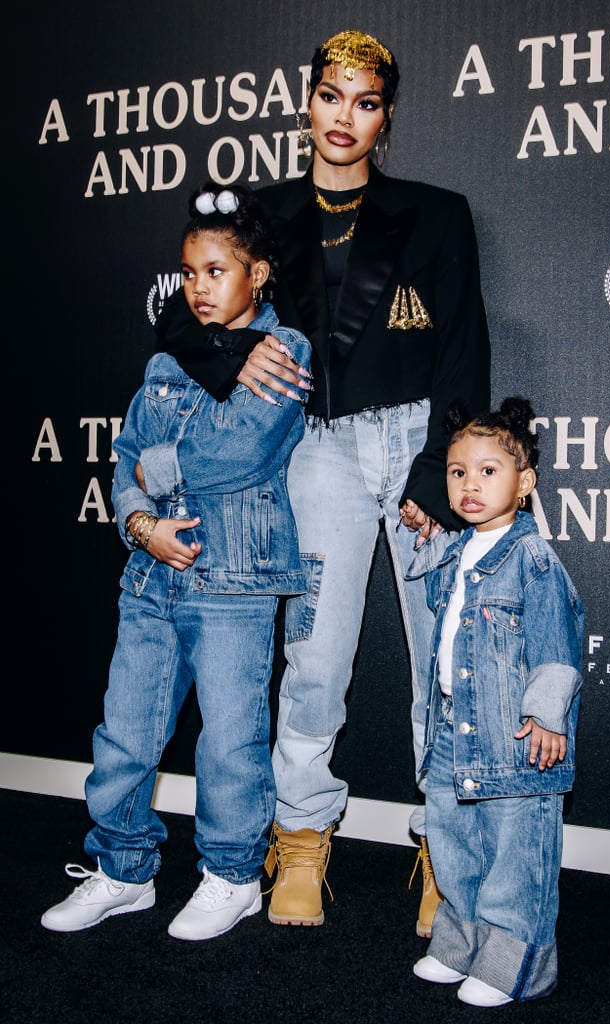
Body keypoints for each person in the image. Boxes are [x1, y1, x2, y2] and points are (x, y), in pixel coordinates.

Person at [155, 28, 491, 935]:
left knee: (445, 663)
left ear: (386, 117)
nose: (346, 117)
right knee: (314, 660)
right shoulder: (260, 214)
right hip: (315, 451)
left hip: (419, 443)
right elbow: (180, 316)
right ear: (306, 102)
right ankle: (301, 838)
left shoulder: (436, 212)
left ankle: (449, 849)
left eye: (367, 101)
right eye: (331, 95)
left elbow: (464, 350)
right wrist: (239, 354)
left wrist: (440, 467)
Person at [41, 183, 312, 941]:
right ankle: (122, 869)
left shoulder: (284, 350)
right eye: (189, 272)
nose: (198, 287)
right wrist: (139, 523)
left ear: (257, 273)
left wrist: (151, 482)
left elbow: (238, 450)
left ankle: (231, 877)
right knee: (124, 734)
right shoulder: (170, 356)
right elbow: (122, 458)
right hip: (151, 577)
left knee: (229, 741)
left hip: (233, 582)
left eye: (216, 270)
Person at [410, 397, 584, 1006]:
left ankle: (516, 965)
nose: (470, 484)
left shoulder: (532, 559)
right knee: (455, 847)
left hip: (515, 738)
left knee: (515, 859)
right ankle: (460, 946)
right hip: (455, 734)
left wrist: (545, 715)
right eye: (458, 472)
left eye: (489, 471)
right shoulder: (457, 552)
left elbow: (557, 645)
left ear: (525, 482)